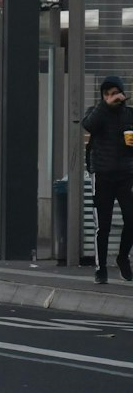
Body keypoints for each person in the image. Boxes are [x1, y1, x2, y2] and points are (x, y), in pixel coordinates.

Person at [81, 76, 132, 284]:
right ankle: (101, 268)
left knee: (131, 217)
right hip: (102, 174)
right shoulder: (97, 112)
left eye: (114, 93)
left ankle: (122, 258)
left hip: (126, 175)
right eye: (107, 94)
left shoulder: (129, 114)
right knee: (103, 225)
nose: (111, 97)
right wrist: (105, 105)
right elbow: (88, 125)